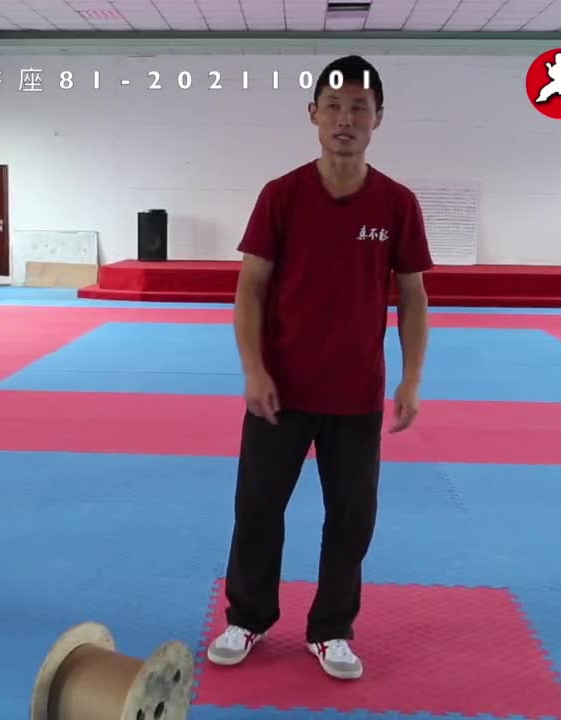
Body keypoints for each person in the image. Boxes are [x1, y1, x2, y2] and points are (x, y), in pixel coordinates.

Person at [206, 55, 433, 680]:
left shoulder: (397, 203)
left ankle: (331, 629)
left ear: (378, 118)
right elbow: (250, 288)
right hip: (280, 390)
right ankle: (248, 617)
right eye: (333, 106)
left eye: (359, 107)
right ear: (313, 114)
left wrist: (412, 379)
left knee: (353, 518)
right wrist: (253, 369)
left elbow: (412, 296)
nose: (345, 119)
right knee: (258, 509)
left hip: (356, 392)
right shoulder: (281, 195)